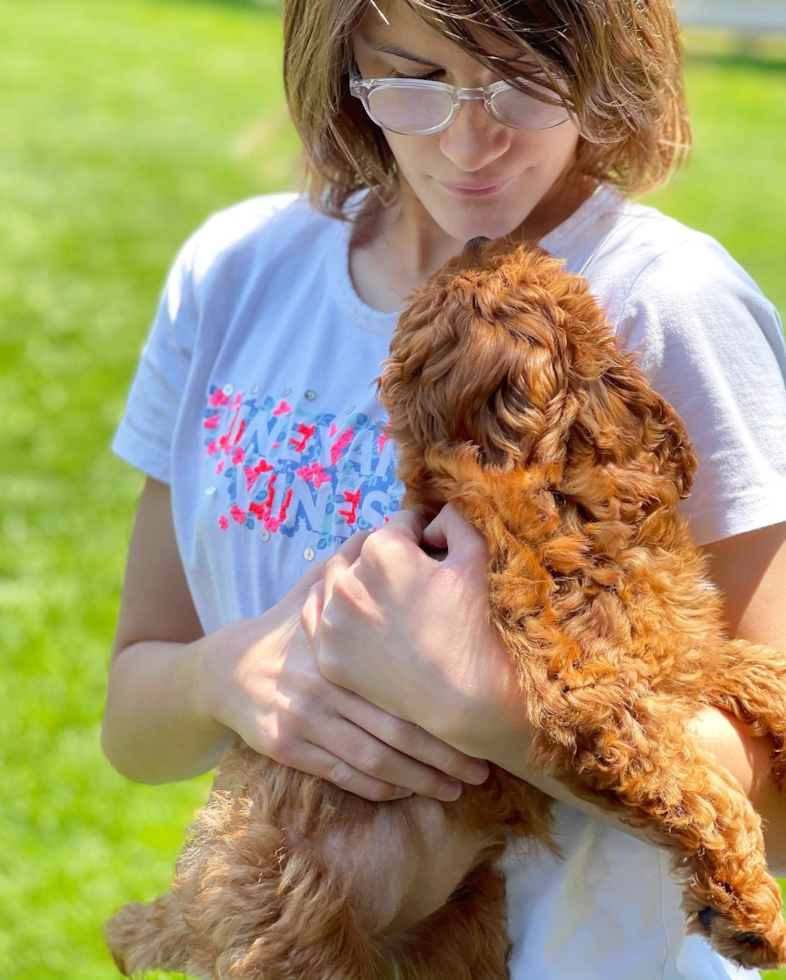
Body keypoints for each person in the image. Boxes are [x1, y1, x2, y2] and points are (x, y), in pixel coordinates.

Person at [101, 0, 786, 976]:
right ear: (342, 63)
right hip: (314, 937)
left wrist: (486, 709)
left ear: (605, 54)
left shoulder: (663, 298)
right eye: (414, 77)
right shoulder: (233, 275)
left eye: (525, 75)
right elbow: (134, 718)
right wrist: (227, 675)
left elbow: (780, 795)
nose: (473, 136)